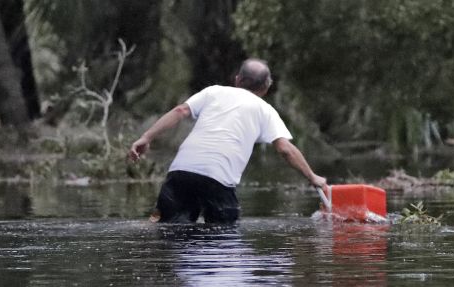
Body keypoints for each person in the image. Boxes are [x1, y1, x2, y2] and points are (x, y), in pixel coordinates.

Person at [128, 58, 328, 223]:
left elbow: (180, 111)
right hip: (218, 180)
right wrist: (313, 177)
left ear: (238, 79)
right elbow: (285, 149)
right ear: (266, 87)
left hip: (180, 173)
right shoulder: (265, 110)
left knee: (169, 234)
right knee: (224, 242)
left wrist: (146, 137)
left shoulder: (213, 92)